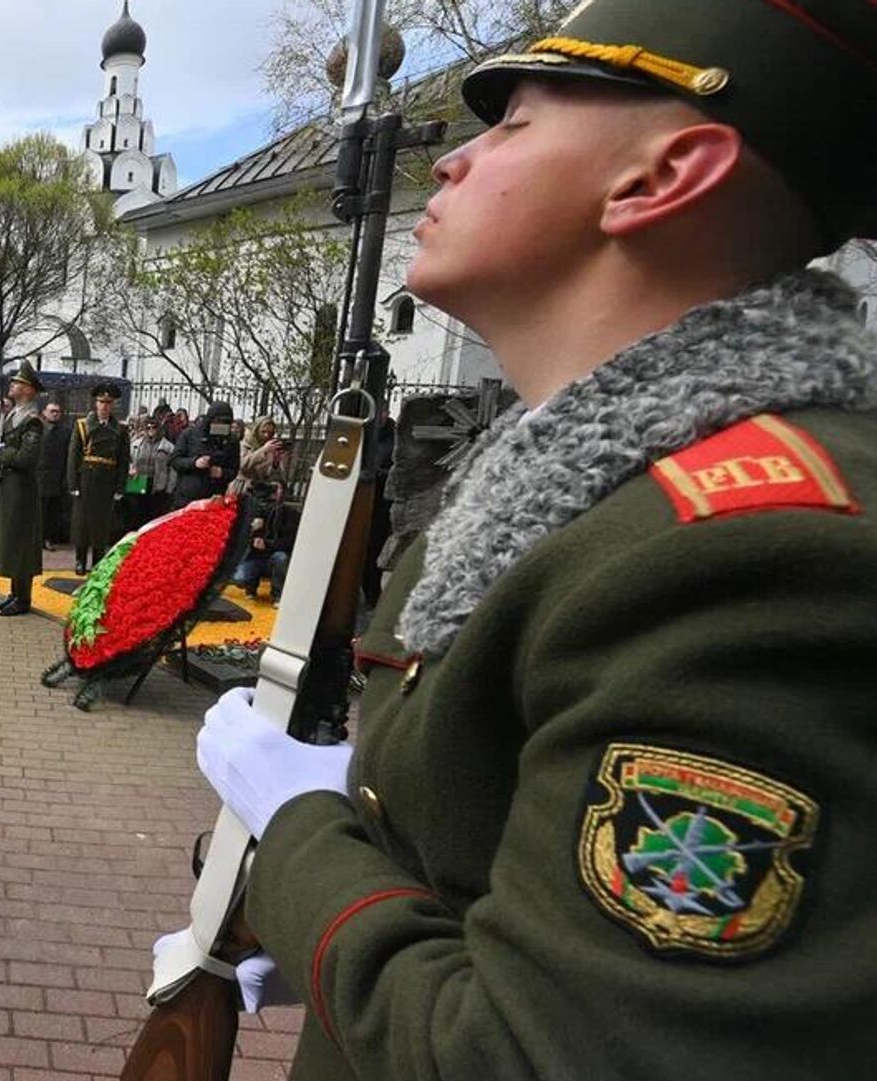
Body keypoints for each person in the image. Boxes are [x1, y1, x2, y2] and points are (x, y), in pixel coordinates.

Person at [181, 3, 877, 1076]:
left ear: (662, 177)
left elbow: (528, 1055)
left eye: (512, 124)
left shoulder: (748, 555)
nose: (450, 160)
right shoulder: (573, 492)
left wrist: (302, 842)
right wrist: (347, 922)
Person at [0, 362, 45, 615]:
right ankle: (14, 593)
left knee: (21, 543)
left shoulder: (32, 421)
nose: (12, 385)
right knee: (10, 541)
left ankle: (23, 599)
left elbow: (25, 458)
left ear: (29, 390)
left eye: (18, 382)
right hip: (9, 486)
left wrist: (1, 451)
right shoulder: (14, 414)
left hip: (21, 489)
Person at [66, 384, 129, 574]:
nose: (105, 406)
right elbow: (73, 456)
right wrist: (73, 483)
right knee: (82, 523)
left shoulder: (120, 429)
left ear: (113, 405)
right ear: (96, 403)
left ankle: (98, 562)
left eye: (108, 403)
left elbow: (123, 460)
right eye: (101, 402)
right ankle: (80, 560)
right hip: (86, 478)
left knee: (101, 524)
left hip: (107, 481)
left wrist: (120, 486)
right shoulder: (82, 425)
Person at [231, 481, 297, 603]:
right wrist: (252, 531)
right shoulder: (255, 510)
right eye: (270, 488)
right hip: (255, 556)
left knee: (281, 558)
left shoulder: (291, 514)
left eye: (276, 488)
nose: (273, 492)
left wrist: (267, 544)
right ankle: (250, 589)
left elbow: (290, 541)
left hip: (274, 556)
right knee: (239, 578)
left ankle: (277, 594)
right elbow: (238, 537)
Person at [168, 402, 243, 507]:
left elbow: (234, 469)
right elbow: (175, 460)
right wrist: (194, 462)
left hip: (214, 498)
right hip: (187, 498)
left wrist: (222, 473)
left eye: (226, 422)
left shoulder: (232, 441)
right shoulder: (189, 434)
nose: (221, 425)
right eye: (218, 421)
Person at [125, 415, 175, 530]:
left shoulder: (168, 447)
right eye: (148, 427)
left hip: (157, 485)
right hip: (137, 482)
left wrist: (169, 489)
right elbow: (127, 460)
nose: (151, 430)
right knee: (135, 514)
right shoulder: (136, 444)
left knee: (153, 516)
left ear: (159, 428)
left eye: (154, 427)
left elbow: (173, 470)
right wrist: (130, 469)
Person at [37, 400, 71, 549]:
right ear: (44, 413)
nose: (55, 414)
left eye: (57, 411)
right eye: (52, 411)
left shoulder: (66, 432)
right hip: (39, 476)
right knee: (39, 510)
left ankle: (49, 538)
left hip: (57, 476)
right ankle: (37, 539)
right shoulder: (38, 430)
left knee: (53, 511)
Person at [239, 417, 293, 488]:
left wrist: (277, 461)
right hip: (244, 486)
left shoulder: (271, 446)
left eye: (270, 433)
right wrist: (263, 450)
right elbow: (243, 465)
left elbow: (272, 474)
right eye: (263, 432)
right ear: (256, 430)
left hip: (262, 487)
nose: (266, 435)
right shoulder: (245, 444)